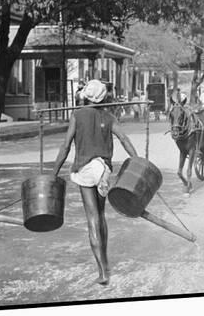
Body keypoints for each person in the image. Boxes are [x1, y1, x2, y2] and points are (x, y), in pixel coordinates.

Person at [52, 79, 138, 286]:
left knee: (92, 219)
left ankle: (103, 271)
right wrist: (137, 162)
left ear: (86, 96)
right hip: (103, 170)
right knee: (101, 216)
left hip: (84, 169)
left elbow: (65, 147)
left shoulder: (77, 115)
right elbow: (124, 139)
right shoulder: (109, 117)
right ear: (103, 97)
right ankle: (106, 261)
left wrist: (53, 174)